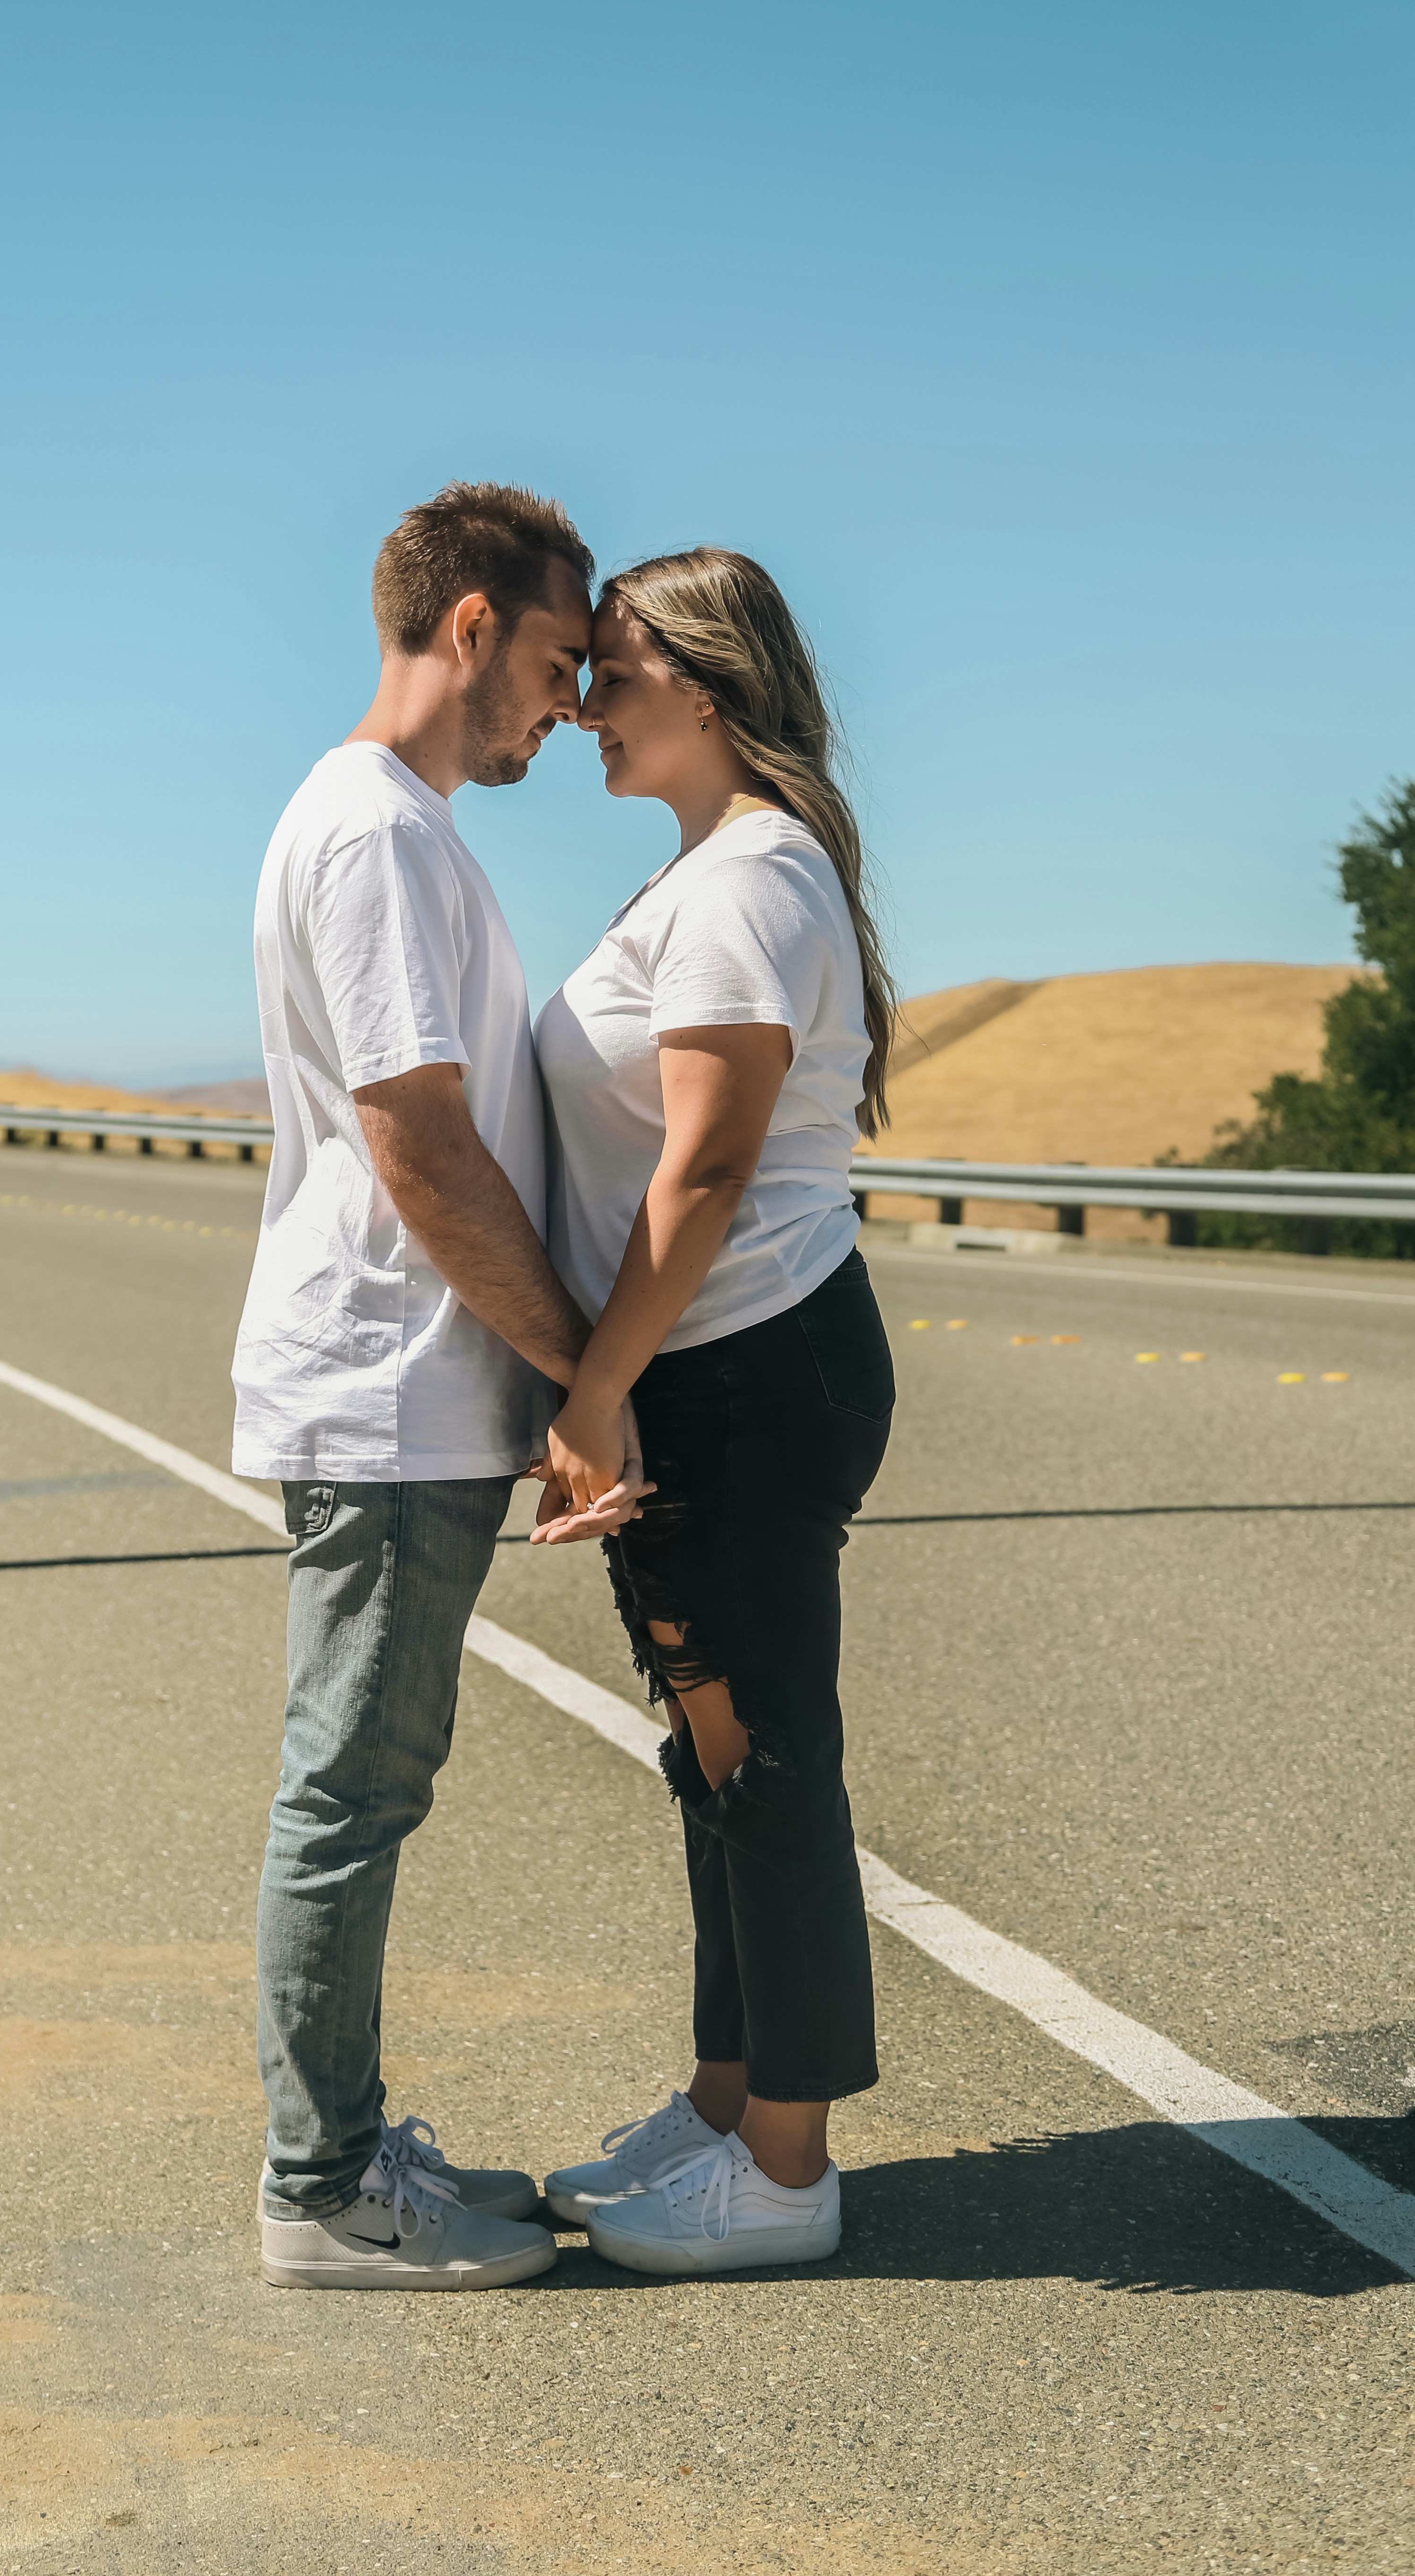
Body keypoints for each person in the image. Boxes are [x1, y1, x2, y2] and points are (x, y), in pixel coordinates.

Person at [233, 482, 646, 2291]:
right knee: (350, 1786)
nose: (568, 707)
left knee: (363, 1781)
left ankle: (342, 2141)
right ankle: (321, 2189)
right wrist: (587, 1369)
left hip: (402, 1384)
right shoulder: (381, 835)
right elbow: (418, 1138)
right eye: (559, 661)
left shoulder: (391, 823)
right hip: (389, 1387)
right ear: (468, 625)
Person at [532, 546, 898, 2275]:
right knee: (715, 1751)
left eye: (614, 671)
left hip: (742, 1365)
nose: (586, 702)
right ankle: (723, 2102)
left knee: (764, 1758)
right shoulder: (711, 873)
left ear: (709, 683)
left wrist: (600, 1379)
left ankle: (787, 2167)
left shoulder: (750, 879)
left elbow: (716, 1160)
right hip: (722, 1360)